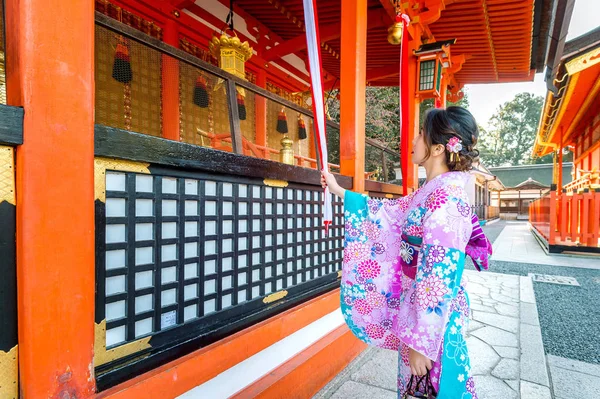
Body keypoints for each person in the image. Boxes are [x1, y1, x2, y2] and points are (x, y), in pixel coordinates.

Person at [321, 107, 492, 399]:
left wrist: (421, 343)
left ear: (439, 148)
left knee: (438, 388)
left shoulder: (446, 200)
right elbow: (388, 213)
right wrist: (340, 192)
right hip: (419, 313)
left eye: (421, 134)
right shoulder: (431, 191)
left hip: (434, 322)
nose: (413, 141)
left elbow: (438, 274)